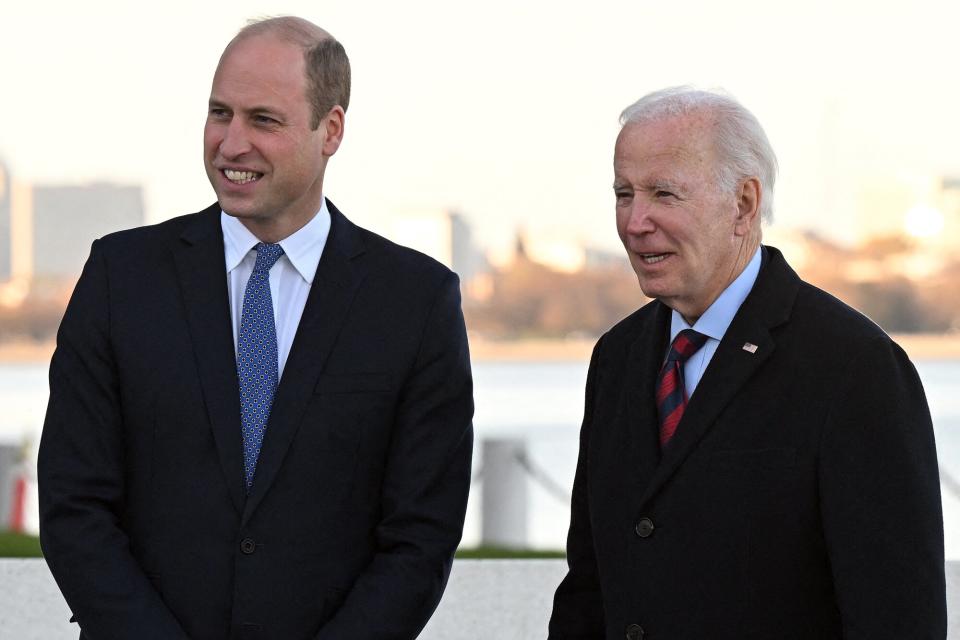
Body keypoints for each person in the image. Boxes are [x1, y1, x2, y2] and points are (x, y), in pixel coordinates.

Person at [38, 16, 473, 640]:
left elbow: (420, 537)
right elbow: (74, 506)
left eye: (262, 120)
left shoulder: (415, 302)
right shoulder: (120, 277)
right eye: (220, 114)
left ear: (331, 130)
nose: (230, 144)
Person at [548, 87, 945, 639]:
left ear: (744, 204)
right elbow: (589, 588)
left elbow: (897, 615)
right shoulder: (616, 358)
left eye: (664, 194)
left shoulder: (856, 367)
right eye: (623, 193)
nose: (635, 221)